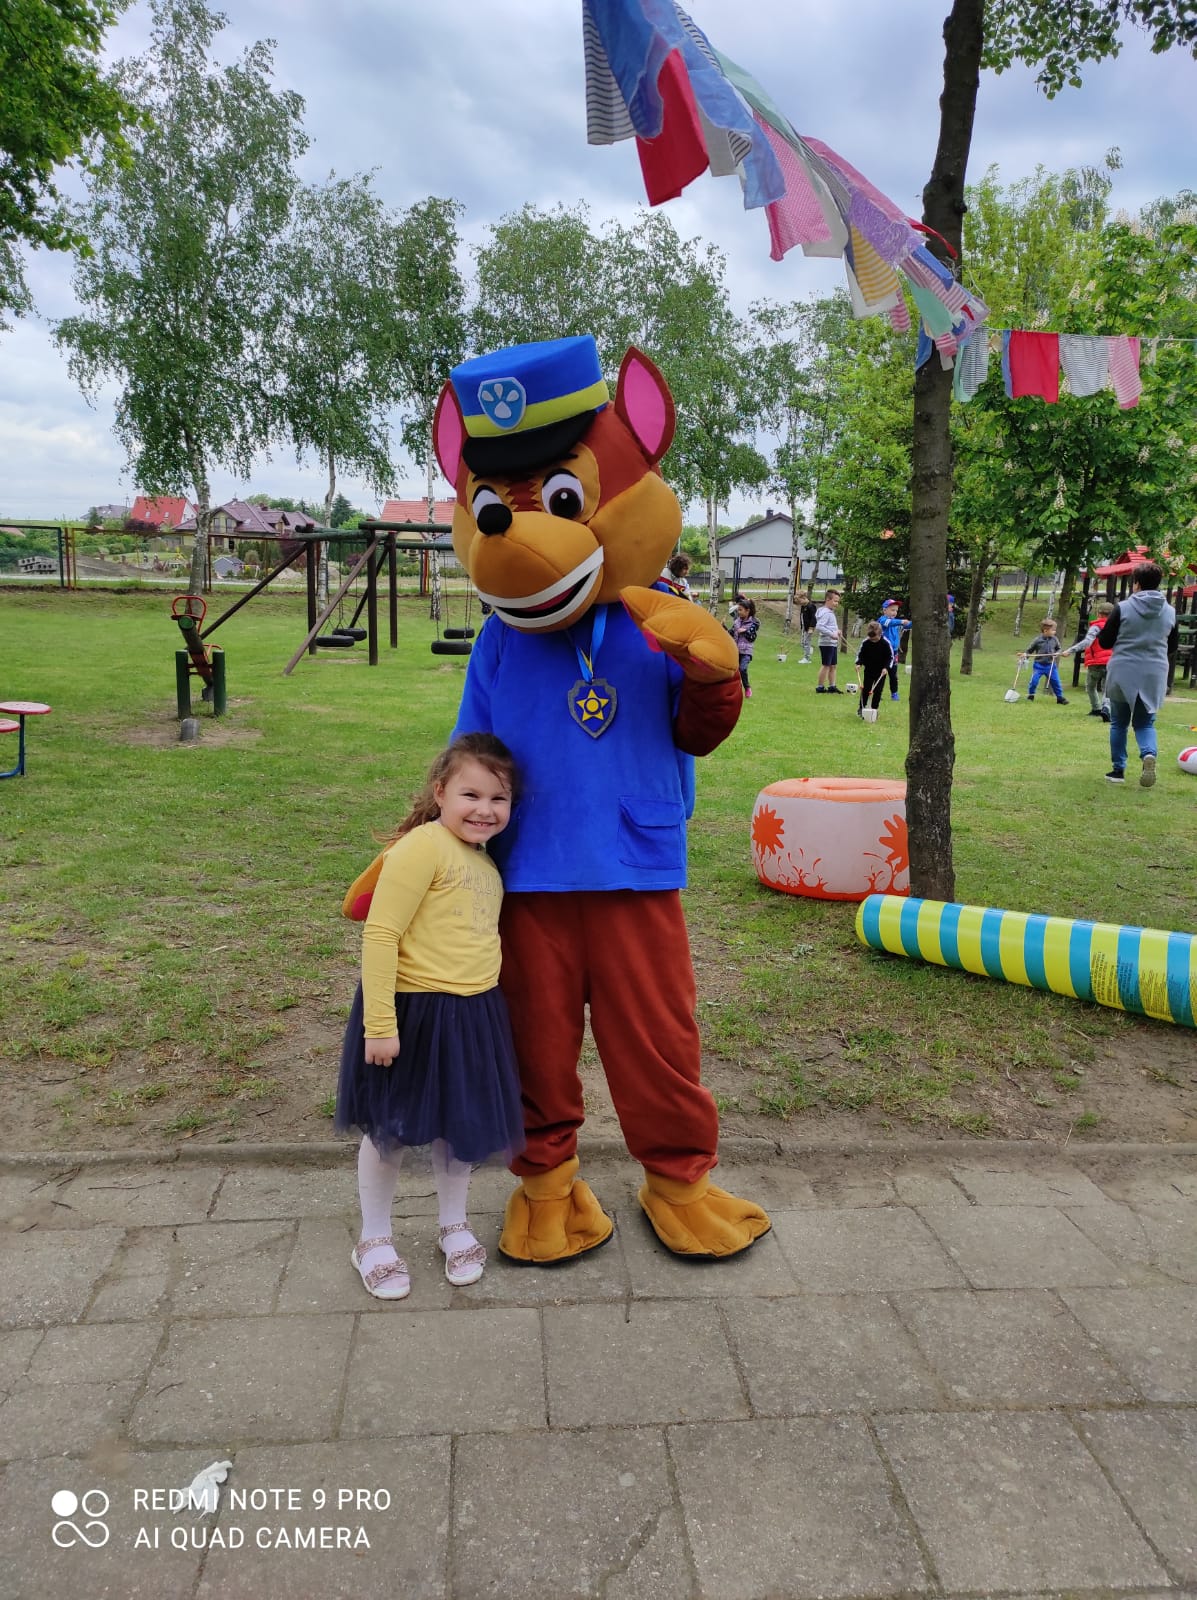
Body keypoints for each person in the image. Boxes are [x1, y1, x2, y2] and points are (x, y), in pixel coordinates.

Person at [335, 733, 525, 1299]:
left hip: (473, 1014)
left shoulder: (484, 860)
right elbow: (381, 934)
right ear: (440, 792)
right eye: (471, 795)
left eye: (499, 798)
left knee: (457, 1125)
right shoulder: (422, 847)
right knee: (389, 1129)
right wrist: (379, 1026)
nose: (485, 810)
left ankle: (453, 1224)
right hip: (412, 1012)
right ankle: (373, 1238)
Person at [1096, 561, 1178, 786]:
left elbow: (1105, 641)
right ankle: (1148, 753)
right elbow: (1172, 646)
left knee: (1119, 723)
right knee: (1145, 723)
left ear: (1137, 584)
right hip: (1154, 671)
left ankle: (1118, 771)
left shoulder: (1122, 608)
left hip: (1123, 669)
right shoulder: (1170, 612)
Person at [1059, 602, 1115, 720]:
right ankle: (1106, 708)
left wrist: (1070, 650)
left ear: (1099, 614)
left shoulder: (1096, 626)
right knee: (1107, 688)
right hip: (1112, 662)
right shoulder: (1118, 627)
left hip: (1095, 663)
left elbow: (1087, 642)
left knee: (1090, 686)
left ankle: (1096, 709)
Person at [1019, 619, 1070, 704]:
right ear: (1045, 631)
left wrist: (1057, 653)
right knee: (1034, 681)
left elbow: (1059, 649)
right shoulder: (1037, 640)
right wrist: (1025, 656)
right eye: (1053, 630)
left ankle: (1060, 698)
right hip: (1038, 666)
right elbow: (1029, 651)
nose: (1054, 632)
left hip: (1051, 666)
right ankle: (1031, 695)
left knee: (1056, 682)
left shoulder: (1054, 639)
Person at [854, 622, 895, 717]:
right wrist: (859, 663)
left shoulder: (885, 643)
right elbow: (861, 655)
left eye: (874, 638)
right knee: (866, 689)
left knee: (878, 691)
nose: (872, 640)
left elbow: (890, 657)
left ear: (880, 634)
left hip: (881, 672)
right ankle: (862, 708)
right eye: (870, 638)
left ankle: (874, 709)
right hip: (869, 670)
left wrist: (886, 668)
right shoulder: (866, 642)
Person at [876, 599, 911, 700]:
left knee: (893, 674)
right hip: (883, 652)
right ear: (884, 610)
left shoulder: (896, 623)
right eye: (892, 610)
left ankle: (894, 693)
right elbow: (890, 623)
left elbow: (907, 625)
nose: (894, 612)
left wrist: (916, 622)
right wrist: (901, 621)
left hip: (894, 653)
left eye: (896, 610)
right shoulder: (882, 620)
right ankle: (877, 693)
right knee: (881, 674)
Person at [814, 588, 846, 693]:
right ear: (828, 599)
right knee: (826, 665)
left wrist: (837, 631)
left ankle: (832, 686)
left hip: (832, 643)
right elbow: (819, 626)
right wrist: (832, 634)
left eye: (838, 601)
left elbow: (829, 626)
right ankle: (820, 687)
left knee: (833, 665)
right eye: (835, 601)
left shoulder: (829, 612)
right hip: (826, 643)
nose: (837, 604)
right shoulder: (826, 613)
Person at [728, 596, 759, 698]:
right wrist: (722, 628)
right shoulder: (736, 621)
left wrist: (745, 631)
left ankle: (747, 688)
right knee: (734, 671)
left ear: (747, 611)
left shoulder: (754, 623)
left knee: (742, 669)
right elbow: (731, 633)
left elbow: (752, 637)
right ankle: (735, 689)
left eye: (740, 610)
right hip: (736, 651)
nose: (739, 612)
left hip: (746, 651)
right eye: (738, 610)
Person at [797, 590, 818, 664]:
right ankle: (809, 650)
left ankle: (807, 658)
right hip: (804, 627)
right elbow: (802, 617)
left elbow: (814, 618)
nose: (799, 603)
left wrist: (811, 627)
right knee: (802, 643)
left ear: (804, 598)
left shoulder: (811, 606)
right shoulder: (803, 606)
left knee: (806, 642)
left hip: (809, 628)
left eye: (800, 601)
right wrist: (802, 626)